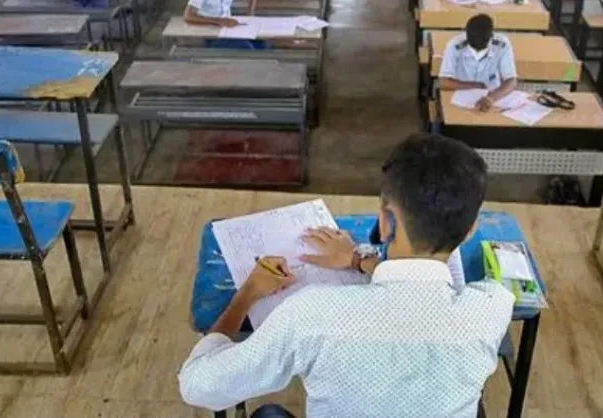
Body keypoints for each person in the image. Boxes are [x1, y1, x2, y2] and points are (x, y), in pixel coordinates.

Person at [178, 133, 511, 418]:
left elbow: (197, 385)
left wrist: (248, 292)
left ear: (385, 221)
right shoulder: (491, 308)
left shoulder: (312, 315)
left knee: (267, 414)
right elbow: (415, 294)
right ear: (470, 230)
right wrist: (356, 260)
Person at [438, 15, 517, 111]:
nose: (477, 54)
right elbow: (443, 82)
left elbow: (511, 81)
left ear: (491, 36)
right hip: (462, 95)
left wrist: (491, 98)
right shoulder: (455, 45)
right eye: (473, 50)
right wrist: (474, 85)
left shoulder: (502, 45)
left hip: (492, 94)